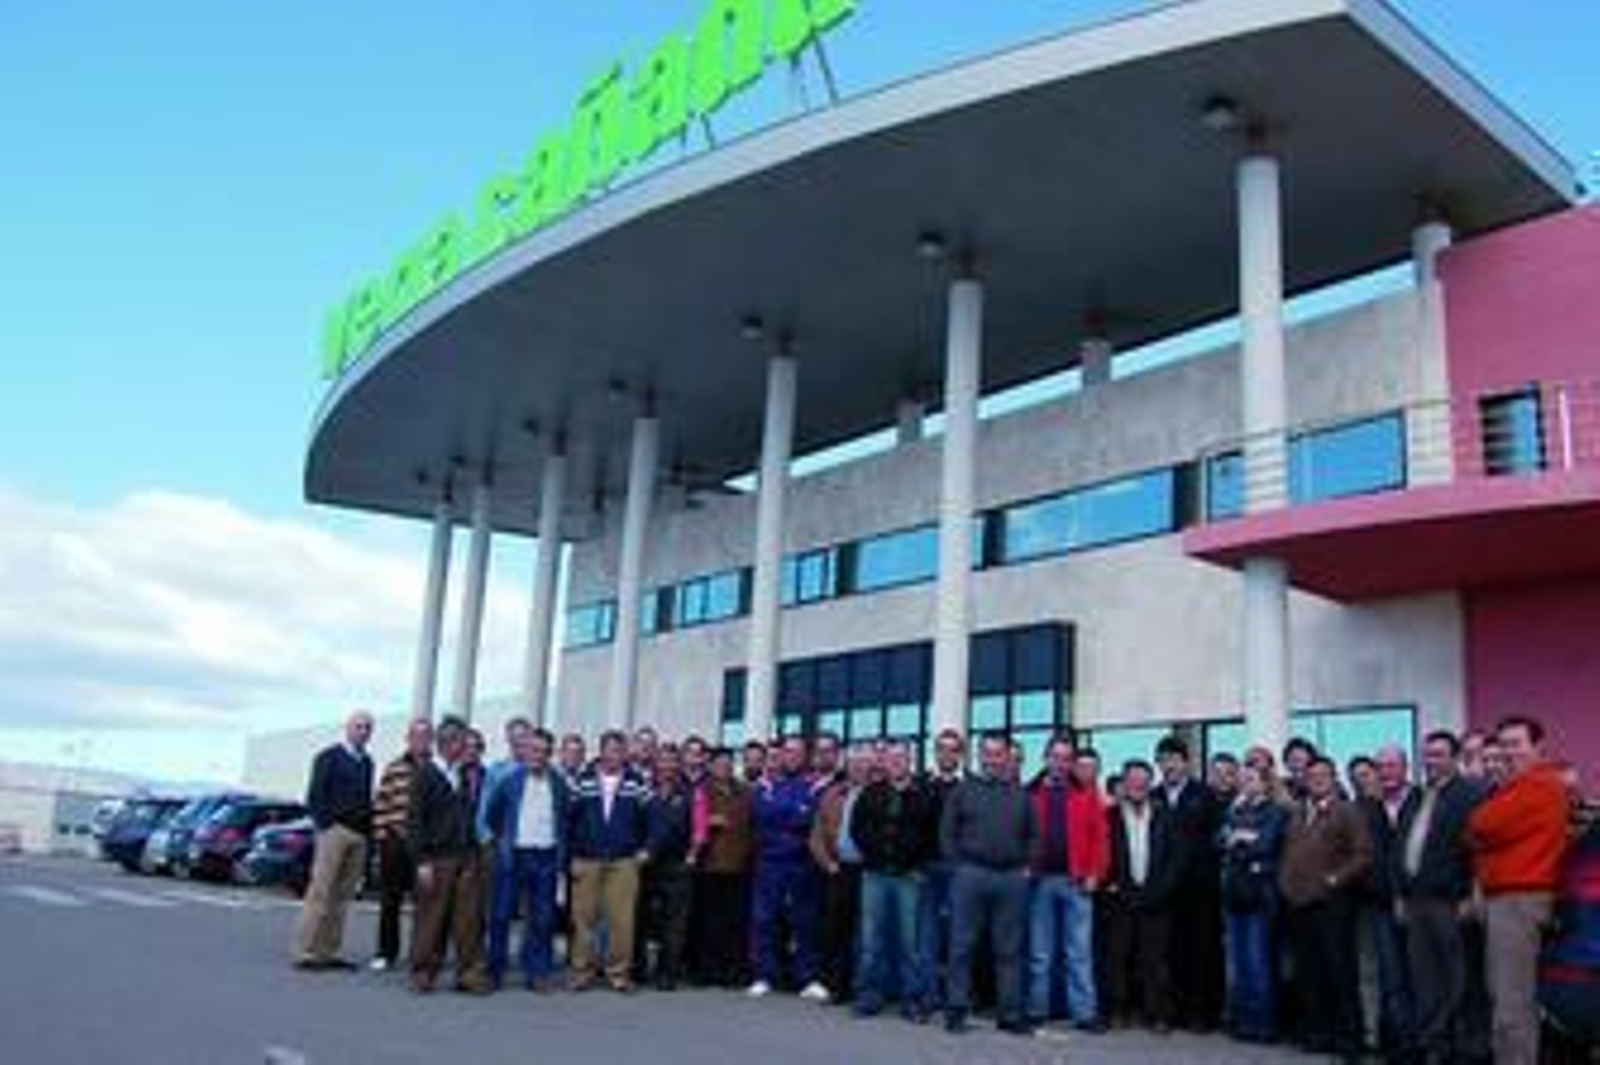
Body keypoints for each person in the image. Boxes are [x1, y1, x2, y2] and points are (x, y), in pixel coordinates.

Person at [1468, 715, 1572, 1065]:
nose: (1508, 751)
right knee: (1509, 994)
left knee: (1511, 998)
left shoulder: (1538, 783)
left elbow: (1480, 823)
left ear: (1538, 747)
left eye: (1516, 744)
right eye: (1503, 744)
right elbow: (1477, 835)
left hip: (1518, 900)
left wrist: (1485, 839)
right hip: (1512, 899)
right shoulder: (1519, 785)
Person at [1395, 729, 1485, 1065]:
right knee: (1424, 978)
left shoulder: (1471, 794)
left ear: (1455, 758)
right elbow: (1400, 847)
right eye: (1427, 755)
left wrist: (1472, 893)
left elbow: (1479, 850)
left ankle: (1462, 1047)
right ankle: (1433, 1045)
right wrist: (1400, 894)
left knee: (1458, 979)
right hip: (1415, 902)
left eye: (1438, 754)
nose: (1430, 761)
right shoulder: (1417, 796)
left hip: (1451, 902)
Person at [941, 731, 1038, 1036]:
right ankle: (956, 1009)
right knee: (962, 946)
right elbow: (947, 832)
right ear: (979, 755)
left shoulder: (1022, 795)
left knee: (1009, 950)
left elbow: (1034, 836)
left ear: (1007, 757)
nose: (992, 760)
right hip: (971, 874)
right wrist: (957, 867)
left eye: (998, 754)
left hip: (1011, 878)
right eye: (987, 753)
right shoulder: (963, 791)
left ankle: (1009, 1014)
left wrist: (1028, 867)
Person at [1280, 755, 1372, 1062]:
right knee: (1310, 974)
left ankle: (1350, 1041)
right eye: (1312, 775)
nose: (1317, 779)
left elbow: (1363, 855)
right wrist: (1284, 883)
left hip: (1332, 905)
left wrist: (1335, 879)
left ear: (1334, 779)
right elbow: (1289, 852)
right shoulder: (1298, 812)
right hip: (1298, 904)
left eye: (1323, 774)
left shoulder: (1347, 811)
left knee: (1340, 974)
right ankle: (1318, 1034)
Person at [1027, 735, 1110, 1032]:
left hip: (1077, 882)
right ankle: (1037, 1009)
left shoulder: (1086, 794)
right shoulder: (1030, 793)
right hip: (1039, 882)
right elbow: (1020, 834)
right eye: (1055, 757)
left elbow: (1101, 838)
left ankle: (1084, 1014)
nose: (1060, 763)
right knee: (1040, 952)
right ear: (1045, 758)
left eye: (1066, 758)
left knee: (1079, 953)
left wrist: (1095, 874)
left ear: (1071, 763)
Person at [479, 725, 570, 992]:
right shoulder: (510, 781)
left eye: (543, 751)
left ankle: (537, 972)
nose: (537, 756)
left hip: (546, 856)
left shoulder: (558, 784)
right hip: (514, 855)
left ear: (550, 754)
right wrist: (504, 841)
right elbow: (493, 816)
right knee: (501, 914)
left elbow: (565, 819)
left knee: (542, 917)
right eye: (533, 750)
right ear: (526, 751)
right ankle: (495, 971)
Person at [849, 739, 933, 1019]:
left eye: (902, 758)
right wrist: (873, 855)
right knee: (871, 941)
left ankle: (912, 999)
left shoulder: (922, 794)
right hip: (875, 876)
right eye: (892, 758)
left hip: (909, 878)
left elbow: (931, 835)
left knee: (910, 943)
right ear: (885, 763)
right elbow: (857, 830)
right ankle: (868, 996)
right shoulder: (871, 793)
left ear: (910, 761)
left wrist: (918, 865)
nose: (897, 762)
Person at [407, 716, 491, 994]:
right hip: (436, 858)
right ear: (447, 743)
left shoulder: (463, 774)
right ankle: (423, 971)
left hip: (466, 856)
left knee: (469, 919)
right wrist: (422, 861)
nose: (466, 746)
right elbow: (415, 821)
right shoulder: (425, 774)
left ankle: (469, 973)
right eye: (462, 741)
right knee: (432, 917)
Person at [567, 729, 651, 993]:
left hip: (623, 862)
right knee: (584, 921)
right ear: (601, 751)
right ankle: (582, 972)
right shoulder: (583, 780)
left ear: (625, 753)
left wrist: (647, 848)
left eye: (619, 750)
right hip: (587, 859)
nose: (614, 755)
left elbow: (653, 818)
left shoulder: (636, 782)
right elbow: (568, 820)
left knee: (621, 921)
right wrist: (571, 856)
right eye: (609, 749)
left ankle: (618, 974)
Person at [293, 710, 375, 971]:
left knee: (342, 897)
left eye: (367, 728)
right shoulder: (328, 757)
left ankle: (328, 952)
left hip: (359, 835)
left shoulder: (367, 762)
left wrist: (367, 833)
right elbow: (315, 796)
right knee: (321, 891)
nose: (363, 732)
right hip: (334, 832)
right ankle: (306, 950)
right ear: (348, 728)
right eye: (359, 726)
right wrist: (326, 827)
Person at [1104, 759, 1180, 1032]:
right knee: (1117, 957)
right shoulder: (1109, 816)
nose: (1137, 785)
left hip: (1155, 897)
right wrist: (1110, 884)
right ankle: (1118, 1010)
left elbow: (1175, 859)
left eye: (1143, 781)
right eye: (1132, 780)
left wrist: (1160, 891)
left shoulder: (1166, 815)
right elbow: (1102, 853)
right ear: (1124, 784)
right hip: (1119, 896)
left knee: (1155, 960)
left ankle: (1157, 1014)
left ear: (1150, 784)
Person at [749, 736, 827, 1000]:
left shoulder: (813, 787)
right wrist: (794, 817)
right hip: (769, 864)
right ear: (780, 756)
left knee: (805, 922)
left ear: (805, 756)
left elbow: (810, 820)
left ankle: (807, 978)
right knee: (764, 920)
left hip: (802, 864)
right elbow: (762, 819)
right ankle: (764, 976)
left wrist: (783, 818)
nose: (792, 756)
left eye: (797, 752)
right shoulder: (765, 787)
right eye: (787, 752)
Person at [1155, 735, 1224, 1032]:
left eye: (1174, 759)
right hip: (1165, 888)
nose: (1168, 765)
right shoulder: (1154, 796)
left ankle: (1201, 1013)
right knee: (1171, 950)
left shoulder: (1204, 795)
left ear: (1186, 762)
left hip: (1200, 887)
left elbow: (1216, 838)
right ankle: (1175, 1010)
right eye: (1163, 760)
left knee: (1202, 950)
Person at [1218, 761, 1288, 1043]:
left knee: (1258, 960)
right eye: (1243, 779)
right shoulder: (1234, 809)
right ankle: (1244, 1021)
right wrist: (1242, 838)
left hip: (1260, 895)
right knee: (1239, 962)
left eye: (1252, 778)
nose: (1245, 783)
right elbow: (1218, 841)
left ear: (1265, 782)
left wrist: (1238, 839)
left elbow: (1265, 845)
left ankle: (1264, 1024)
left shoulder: (1275, 811)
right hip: (1234, 893)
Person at [1358, 744, 1418, 1060]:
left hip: (1420, 905)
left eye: (1392, 765)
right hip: (1380, 904)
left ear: (1405, 768)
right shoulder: (1367, 808)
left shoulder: (1424, 802)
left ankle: (1427, 1044)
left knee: (1423, 977)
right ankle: (1401, 1046)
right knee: (1391, 978)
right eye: (1380, 767)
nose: (1386, 772)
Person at [811, 744, 874, 1004]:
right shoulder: (832, 794)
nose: (858, 768)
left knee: (867, 933)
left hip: (868, 870)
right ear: (846, 767)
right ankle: (838, 986)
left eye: (863, 763)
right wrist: (829, 864)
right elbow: (816, 837)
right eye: (853, 763)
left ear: (870, 767)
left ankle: (864, 986)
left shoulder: (877, 793)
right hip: (839, 869)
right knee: (837, 931)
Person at [369, 717, 431, 972]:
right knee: (390, 901)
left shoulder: (436, 768)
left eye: (425, 736)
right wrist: (382, 837)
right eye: (416, 736)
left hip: (424, 846)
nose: (421, 740)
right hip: (395, 841)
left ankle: (420, 954)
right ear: (408, 739)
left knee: (425, 903)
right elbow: (381, 803)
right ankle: (386, 952)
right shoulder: (394, 768)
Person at [689, 746, 754, 988]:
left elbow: (753, 824)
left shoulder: (744, 791)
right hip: (710, 865)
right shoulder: (701, 790)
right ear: (711, 766)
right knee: (709, 923)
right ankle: (708, 972)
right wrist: (707, 821)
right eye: (719, 764)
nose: (724, 768)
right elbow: (690, 823)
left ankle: (732, 972)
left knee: (735, 923)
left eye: (728, 763)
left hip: (739, 865)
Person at [916, 728, 965, 1019]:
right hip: (928, 870)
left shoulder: (969, 786)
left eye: (952, 749)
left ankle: (955, 998)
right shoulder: (923, 784)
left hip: (959, 871)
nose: (947, 755)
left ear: (960, 754)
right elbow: (914, 826)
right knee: (928, 938)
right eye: (942, 749)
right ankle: (928, 997)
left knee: (959, 938)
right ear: (935, 753)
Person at [640, 744, 694, 990]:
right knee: (641, 918)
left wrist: (692, 854)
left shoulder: (689, 794)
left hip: (677, 865)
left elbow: (697, 828)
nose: (667, 766)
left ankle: (667, 972)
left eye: (672, 761)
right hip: (645, 865)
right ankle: (638, 969)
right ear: (656, 764)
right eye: (663, 761)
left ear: (678, 765)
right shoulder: (644, 791)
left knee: (674, 924)